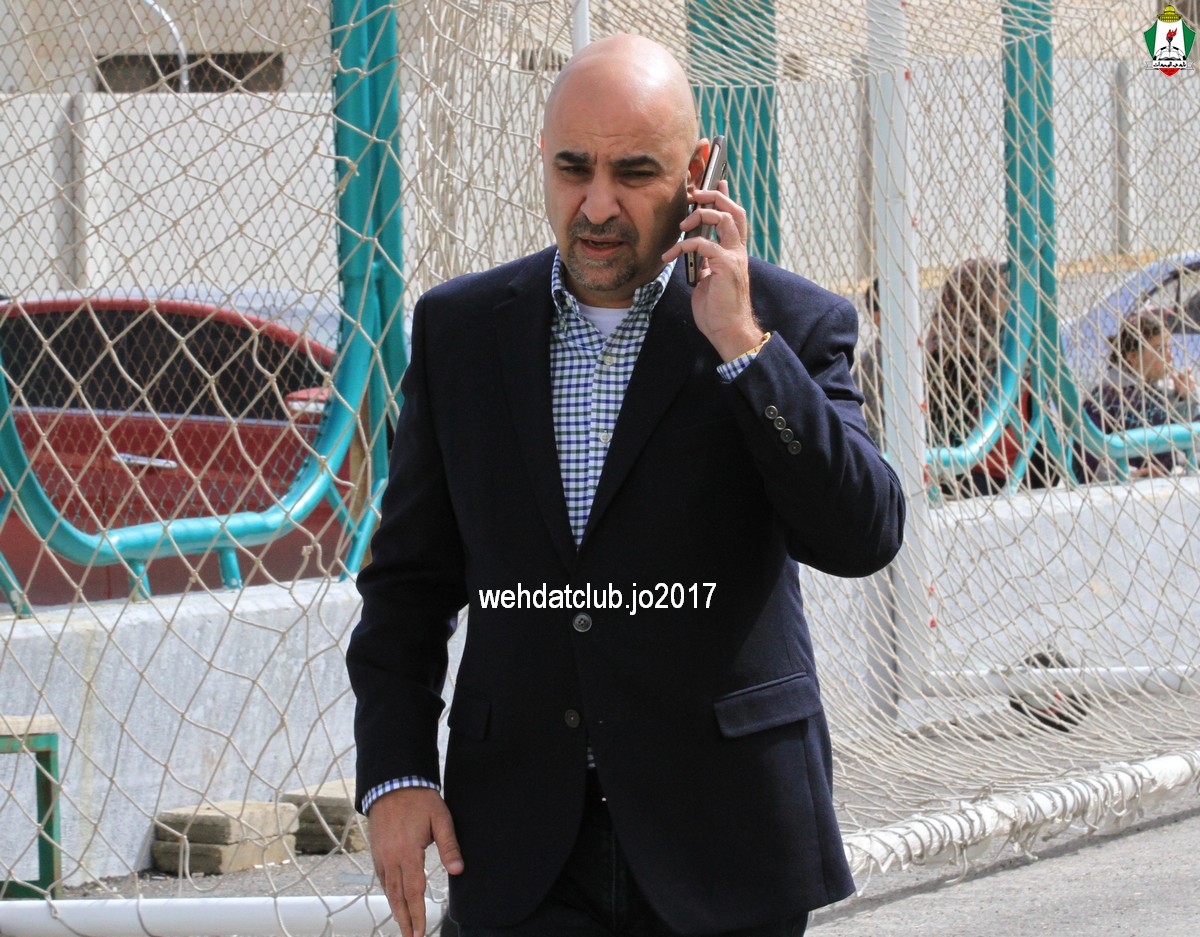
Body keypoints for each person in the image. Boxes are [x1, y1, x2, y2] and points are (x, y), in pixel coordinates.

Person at [348, 34, 905, 937]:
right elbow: (408, 583)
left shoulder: (788, 325)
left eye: (635, 172)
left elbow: (862, 535)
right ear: (543, 157)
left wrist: (744, 349)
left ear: (698, 171)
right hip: (518, 853)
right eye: (574, 168)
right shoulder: (460, 332)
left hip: (724, 843)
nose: (597, 204)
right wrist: (397, 771)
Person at [1083, 305, 1200, 479]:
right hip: (1125, 488)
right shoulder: (1104, 399)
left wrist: (1187, 397)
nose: (1170, 357)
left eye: (1169, 348)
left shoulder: (1166, 390)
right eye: (1160, 349)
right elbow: (1087, 456)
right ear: (1132, 357)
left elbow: (1194, 443)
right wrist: (1130, 474)